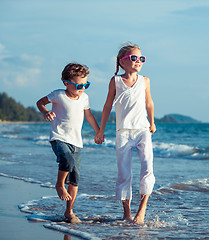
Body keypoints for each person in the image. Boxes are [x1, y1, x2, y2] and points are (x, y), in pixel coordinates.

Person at [95, 43, 156, 224]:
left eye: (141, 58)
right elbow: (107, 106)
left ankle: (142, 210)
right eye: (134, 58)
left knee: (147, 168)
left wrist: (152, 122)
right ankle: (127, 212)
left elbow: (149, 103)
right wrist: (101, 130)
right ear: (122, 62)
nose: (138, 61)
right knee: (124, 173)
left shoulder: (145, 80)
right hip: (122, 133)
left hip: (143, 130)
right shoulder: (115, 81)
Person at [36, 63, 101, 223]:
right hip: (58, 137)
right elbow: (40, 102)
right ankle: (59, 184)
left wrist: (98, 131)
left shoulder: (84, 97)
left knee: (75, 178)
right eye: (79, 85)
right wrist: (46, 112)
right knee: (67, 159)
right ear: (66, 83)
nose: (83, 88)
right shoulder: (58, 95)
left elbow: (89, 116)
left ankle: (69, 211)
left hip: (77, 142)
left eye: (86, 84)